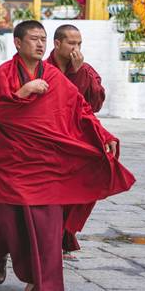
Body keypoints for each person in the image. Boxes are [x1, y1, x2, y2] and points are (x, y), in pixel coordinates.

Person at [0, 20, 135, 291]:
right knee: (7, 219)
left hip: (46, 161)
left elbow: (79, 107)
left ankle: (42, 283)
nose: (40, 44)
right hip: (13, 159)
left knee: (48, 220)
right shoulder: (2, 74)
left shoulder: (53, 76)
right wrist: (24, 92)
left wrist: (103, 133)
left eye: (43, 39)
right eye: (34, 39)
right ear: (17, 43)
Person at [46, 24, 107, 260]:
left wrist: (80, 72)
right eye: (72, 43)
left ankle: (64, 236)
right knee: (50, 192)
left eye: (79, 44)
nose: (76, 48)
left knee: (78, 190)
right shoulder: (42, 68)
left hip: (76, 139)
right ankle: (49, 239)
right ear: (57, 43)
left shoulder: (85, 70)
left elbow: (95, 104)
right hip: (49, 138)